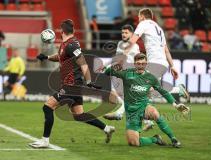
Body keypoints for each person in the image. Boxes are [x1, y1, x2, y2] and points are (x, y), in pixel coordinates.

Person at [29, 19, 115, 148]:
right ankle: (106, 128)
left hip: (72, 85)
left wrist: (89, 81)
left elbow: (83, 62)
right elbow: (60, 57)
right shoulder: (66, 44)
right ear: (73, 30)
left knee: (47, 107)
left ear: (61, 31)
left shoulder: (72, 45)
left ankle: (45, 140)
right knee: (79, 115)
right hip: (73, 85)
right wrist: (46, 57)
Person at [102, 53, 190, 147]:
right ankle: (155, 139)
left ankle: (174, 139)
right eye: (138, 64)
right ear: (135, 64)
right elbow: (107, 72)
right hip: (131, 113)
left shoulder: (151, 78)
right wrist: (115, 66)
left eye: (143, 64)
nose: (141, 66)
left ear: (146, 64)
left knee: (154, 113)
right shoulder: (126, 73)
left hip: (144, 106)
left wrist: (175, 104)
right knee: (133, 143)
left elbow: (163, 91)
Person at [125, 8, 190, 102]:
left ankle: (178, 89)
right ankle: (146, 115)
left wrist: (123, 54)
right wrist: (172, 66)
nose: (138, 19)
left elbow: (133, 40)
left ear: (142, 16)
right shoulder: (159, 29)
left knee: (142, 87)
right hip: (162, 63)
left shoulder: (143, 23)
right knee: (150, 90)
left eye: (139, 17)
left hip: (154, 62)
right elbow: (166, 50)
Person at [102, 24, 154, 130]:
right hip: (124, 75)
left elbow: (131, 59)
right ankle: (147, 121)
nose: (123, 34)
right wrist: (107, 65)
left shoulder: (133, 45)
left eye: (126, 33)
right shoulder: (120, 43)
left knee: (128, 97)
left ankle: (120, 114)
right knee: (131, 98)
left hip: (132, 74)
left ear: (131, 34)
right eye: (122, 32)